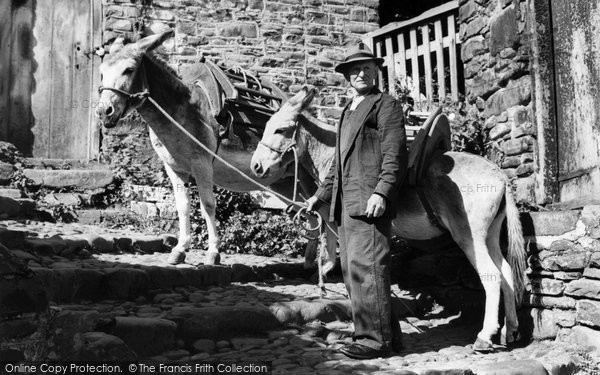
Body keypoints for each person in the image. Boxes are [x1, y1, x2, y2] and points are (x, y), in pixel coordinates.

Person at [306, 42, 408, 359]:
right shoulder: (346, 112)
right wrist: (320, 196)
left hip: (368, 201)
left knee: (369, 269)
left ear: (376, 72)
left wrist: (382, 191)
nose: (360, 73)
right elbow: (338, 163)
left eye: (365, 68)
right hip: (344, 204)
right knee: (353, 272)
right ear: (347, 78)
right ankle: (386, 335)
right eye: (354, 70)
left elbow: (395, 154)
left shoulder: (385, 105)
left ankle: (374, 342)